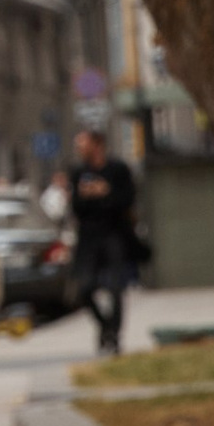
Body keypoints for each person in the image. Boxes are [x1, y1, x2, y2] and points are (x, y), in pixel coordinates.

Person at [67, 125, 140, 356]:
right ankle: (105, 326)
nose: (79, 148)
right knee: (84, 289)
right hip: (89, 239)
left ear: (97, 145)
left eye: (83, 143)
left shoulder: (118, 170)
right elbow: (77, 208)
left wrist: (105, 192)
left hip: (114, 235)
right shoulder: (79, 173)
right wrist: (87, 196)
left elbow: (127, 200)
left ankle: (115, 336)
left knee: (116, 288)